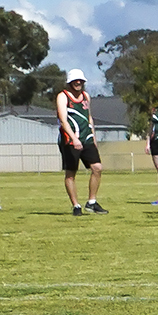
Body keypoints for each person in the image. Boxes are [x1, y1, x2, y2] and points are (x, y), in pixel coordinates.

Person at [57, 69, 106, 215]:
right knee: (71, 173)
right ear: (70, 82)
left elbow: (89, 117)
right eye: (75, 80)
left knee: (97, 168)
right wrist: (73, 138)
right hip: (70, 140)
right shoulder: (63, 97)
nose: (78, 83)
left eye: (81, 81)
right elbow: (63, 120)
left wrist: (93, 136)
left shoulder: (86, 96)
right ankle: (76, 205)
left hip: (87, 138)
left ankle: (92, 202)